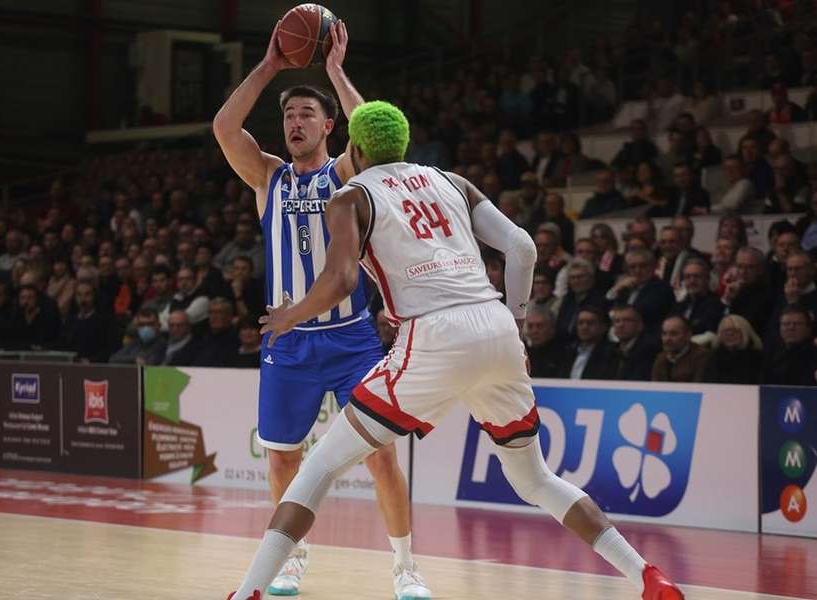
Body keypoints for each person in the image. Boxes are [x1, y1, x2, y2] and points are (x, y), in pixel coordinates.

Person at [229, 100, 682, 600]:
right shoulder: (451, 180)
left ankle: (249, 591)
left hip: (433, 335)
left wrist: (291, 314)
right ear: (403, 144)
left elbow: (340, 279)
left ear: (354, 149)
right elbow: (524, 248)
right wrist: (517, 323)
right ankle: (646, 576)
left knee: (318, 467)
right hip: (497, 327)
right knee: (536, 481)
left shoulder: (351, 196)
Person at [212, 22, 429, 598]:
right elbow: (223, 127)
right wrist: (269, 67)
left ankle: (406, 568)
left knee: (381, 454)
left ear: (329, 126)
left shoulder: (344, 175)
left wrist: (333, 71)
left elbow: (382, 147)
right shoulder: (268, 177)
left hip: (351, 338)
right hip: (288, 343)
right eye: (289, 116)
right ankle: (292, 556)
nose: (295, 123)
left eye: (307, 114)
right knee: (283, 459)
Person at [761, 305, 817, 385]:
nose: (791, 328)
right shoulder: (771, 355)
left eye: (798, 324)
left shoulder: (814, 354)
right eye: (786, 324)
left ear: (808, 328)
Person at [559, 306, 618, 380]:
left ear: (603, 327)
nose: (584, 327)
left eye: (590, 323)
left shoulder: (613, 353)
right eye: (580, 323)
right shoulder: (569, 351)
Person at [701, 315, 763, 385]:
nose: (730, 334)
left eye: (735, 330)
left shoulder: (757, 358)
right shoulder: (714, 358)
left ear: (745, 332)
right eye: (726, 331)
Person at [670, 258, 724, 335]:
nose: (692, 281)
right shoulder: (679, 305)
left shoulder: (715, 306)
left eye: (697, 276)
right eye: (688, 277)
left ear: (707, 279)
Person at [651, 316, 710, 382]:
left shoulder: (701, 356)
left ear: (688, 335)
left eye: (673, 334)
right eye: (664, 333)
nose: (667, 339)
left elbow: (699, 387)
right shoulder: (661, 358)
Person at [612, 304, 659, 381]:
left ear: (640, 325)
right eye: (617, 321)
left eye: (627, 320)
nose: (621, 325)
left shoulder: (649, 350)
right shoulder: (611, 350)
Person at [195, 298, 240, 367]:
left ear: (229, 315)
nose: (214, 316)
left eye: (219, 312)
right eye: (211, 312)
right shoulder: (202, 338)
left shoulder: (237, 340)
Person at [524, 307, 565, 378]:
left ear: (551, 328)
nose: (534, 331)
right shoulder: (524, 354)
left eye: (539, 326)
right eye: (530, 326)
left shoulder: (564, 354)